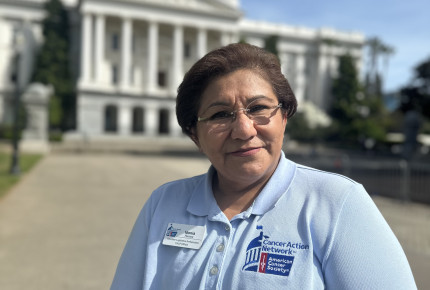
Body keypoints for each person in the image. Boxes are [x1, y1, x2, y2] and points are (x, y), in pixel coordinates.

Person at [111, 43, 416, 289]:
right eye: (220, 115)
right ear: (195, 133)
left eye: (258, 108)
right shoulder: (164, 204)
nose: (244, 129)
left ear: (284, 116)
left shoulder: (336, 203)